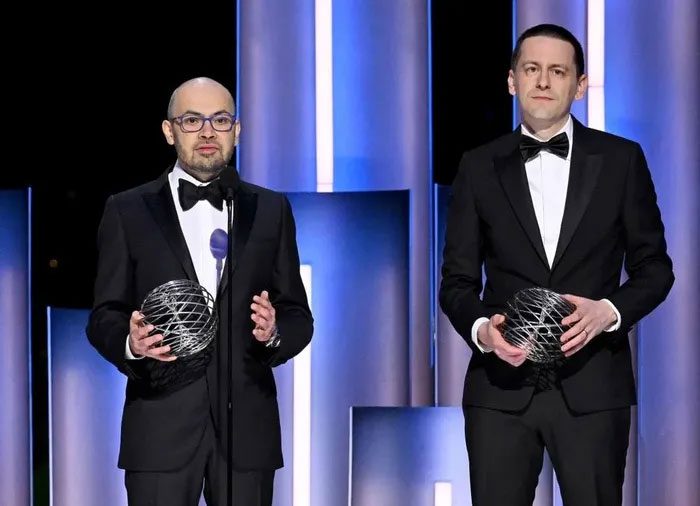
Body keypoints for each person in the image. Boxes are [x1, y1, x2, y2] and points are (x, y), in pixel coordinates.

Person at [439, 24, 673, 506]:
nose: (542, 81)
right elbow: (457, 282)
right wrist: (484, 331)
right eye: (531, 69)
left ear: (580, 85)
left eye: (557, 71)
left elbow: (655, 268)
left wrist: (607, 311)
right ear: (511, 80)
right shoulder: (478, 166)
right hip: (500, 391)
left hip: (593, 390)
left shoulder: (621, 160)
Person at [86, 77, 313, 506]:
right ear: (169, 131)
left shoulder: (271, 209)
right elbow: (104, 315)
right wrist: (130, 343)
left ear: (237, 130)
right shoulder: (126, 210)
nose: (208, 132)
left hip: (247, 434)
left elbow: (298, 314)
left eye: (221, 119)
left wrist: (275, 331)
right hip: (159, 431)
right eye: (193, 120)